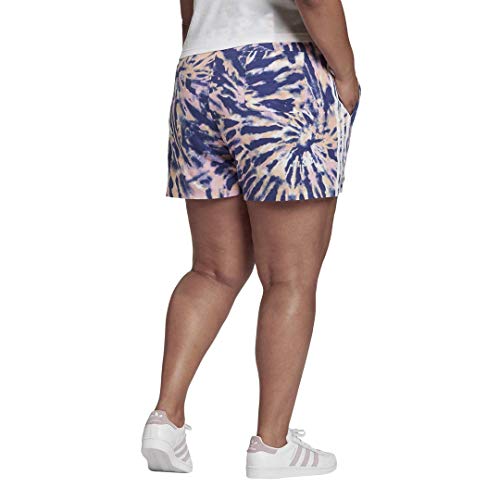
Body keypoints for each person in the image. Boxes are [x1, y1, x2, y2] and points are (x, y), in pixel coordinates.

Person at [141, 0, 360, 479]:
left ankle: (165, 419)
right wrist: (346, 76)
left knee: (212, 270)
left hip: (199, 71)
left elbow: (188, 6)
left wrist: (204, 47)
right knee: (289, 277)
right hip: (279, 70)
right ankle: (271, 445)